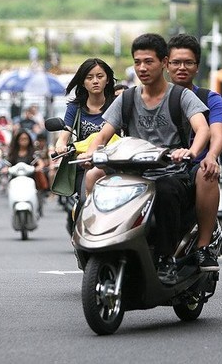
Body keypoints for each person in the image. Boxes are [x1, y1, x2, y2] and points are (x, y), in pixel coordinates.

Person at [78, 33, 211, 285]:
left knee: (166, 190)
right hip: (132, 173)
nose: (142, 68)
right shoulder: (126, 98)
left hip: (171, 172)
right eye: (137, 62)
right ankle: (95, 241)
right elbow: (103, 134)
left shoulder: (181, 96)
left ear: (163, 62)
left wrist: (190, 151)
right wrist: (91, 153)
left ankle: (166, 259)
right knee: (96, 178)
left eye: (148, 61)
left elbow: (202, 128)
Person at [167, 33, 222, 272]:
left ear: (197, 67)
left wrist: (211, 156)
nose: (182, 67)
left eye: (188, 62)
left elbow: (217, 134)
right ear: (166, 64)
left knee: (207, 172)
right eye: (176, 62)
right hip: (160, 167)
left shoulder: (210, 99)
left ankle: (204, 247)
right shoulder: (149, 98)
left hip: (195, 167)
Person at [54, 58, 116, 196]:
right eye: (89, 77)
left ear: (107, 80)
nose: (95, 81)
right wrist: (61, 145)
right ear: (82, 82)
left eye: (100, 76)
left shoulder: (118, 104)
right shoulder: (74, 107)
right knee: (84, 200)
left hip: (114, 165)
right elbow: (65, 134)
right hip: (84, 163)